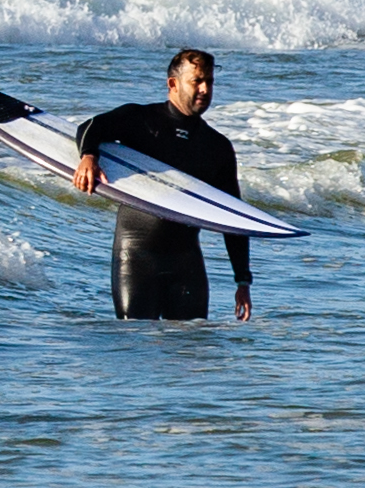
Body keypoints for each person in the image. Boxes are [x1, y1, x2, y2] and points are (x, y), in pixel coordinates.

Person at [72, 47, 254, 323]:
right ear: (173, 84)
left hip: (186, 261)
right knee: (134, 346)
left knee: (190, 353)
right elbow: (91, 126)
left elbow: (232, 215)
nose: (205, 89)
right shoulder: (142, 121)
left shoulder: (217, 147)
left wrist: (242, 280)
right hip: (136, 257)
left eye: (210, 82)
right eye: (197, 81)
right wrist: (88, 157)